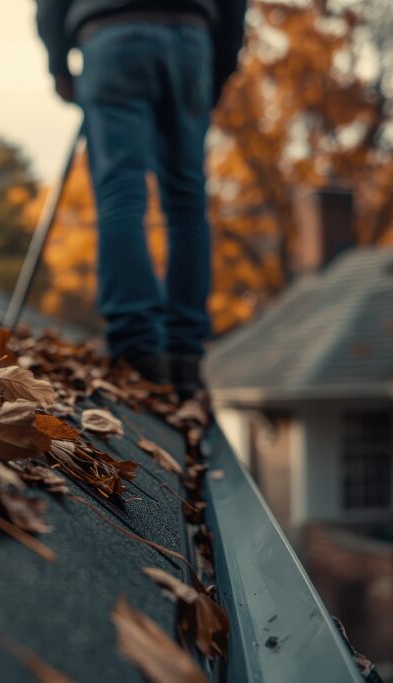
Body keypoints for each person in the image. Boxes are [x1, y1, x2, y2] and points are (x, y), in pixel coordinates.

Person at [36, 0, 246, 395]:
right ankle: (184, 353)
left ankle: (138, 348)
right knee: (187, 201)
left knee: (120, 193)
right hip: (190, 37)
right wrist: (220, 64)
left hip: (111, 35)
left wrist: (59, 65)